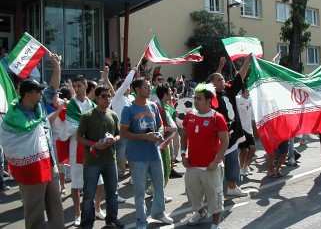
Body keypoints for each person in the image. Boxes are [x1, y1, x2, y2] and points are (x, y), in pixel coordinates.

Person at [0, 53, 65, 228]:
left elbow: (53, 87)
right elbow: (10, 143)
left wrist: (56, 66)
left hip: (49, 164)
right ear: (28, 94)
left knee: (55, 203)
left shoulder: (40, 104)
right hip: (31, 169)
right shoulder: (14, 117)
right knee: (34, 209)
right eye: (38, 91)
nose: (43, 93)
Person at [120, 78, 173, 228]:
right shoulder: (128, 109)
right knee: (140, 190)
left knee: (159, 184)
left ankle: (159, 212)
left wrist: (160, 133)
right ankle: (141, 221)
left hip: (154, 152)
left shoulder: (153, 106)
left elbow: (160, 125)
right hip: (137, 155)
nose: (150, 89)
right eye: (146, 87)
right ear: (137, 90)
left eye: (150, 86)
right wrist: (144, 136)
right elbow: (123, 133)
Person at [181, 83, 229, 228]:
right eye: (195, 98)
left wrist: (215, 161)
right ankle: (201, 212)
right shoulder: (189, 116)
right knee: (193, 194)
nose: (196, 101)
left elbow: (225, 141)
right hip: (193, 165)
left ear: (209, 101)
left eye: (199, 99)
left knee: (215, 196)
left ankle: (215, 223)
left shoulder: (217, 117)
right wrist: (183, 154)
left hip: (210, 166)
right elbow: (184, 136)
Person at [76, 85, 124, 228]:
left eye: (109, 96)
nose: (108, 99)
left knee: (112, 192)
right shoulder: (87, 116)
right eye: (104, 96)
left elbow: (119, 134)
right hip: (92, 162)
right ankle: (87, 223)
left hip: (110, 160)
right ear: (97, 98)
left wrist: (114, 140)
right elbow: (79, 137)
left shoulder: (113, 115)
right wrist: (94, 144)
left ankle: (112, 219)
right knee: (89, 195)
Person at [208, 54, 251, 197]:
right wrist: (219, 68)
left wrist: (247, 61)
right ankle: (215, 190)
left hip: (232, 133)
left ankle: (232, 187)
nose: (223, 81)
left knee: (233, 160)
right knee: (218, 163)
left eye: (223, 79)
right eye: (219, 80)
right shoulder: (209, 96)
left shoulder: (229, 89)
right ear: (212, 84)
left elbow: (240, 76)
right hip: (218, 136)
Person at [64, 75, 104, 226]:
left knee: (99, 181)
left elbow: (99, 123)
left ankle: (98, 208)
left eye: (79, 86)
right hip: (77, 147)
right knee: (76, 182)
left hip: (93, 146)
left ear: (86, 86)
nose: (76, 89)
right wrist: (89, 127)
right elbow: (71, 128)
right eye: (74, 86)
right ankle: (77, 213)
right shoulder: (71, 105)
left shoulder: (92, 105)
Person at [237, 83, 256, 176]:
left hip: (249, 129)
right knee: (244, 150)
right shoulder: (237, 99)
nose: (250, 92)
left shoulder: (250, 99)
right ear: (244, 91)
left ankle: (245, 165)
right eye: (249, 90)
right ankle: (241, 168)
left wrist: (254, 125)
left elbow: (252, 114)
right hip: (240, 129)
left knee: (252, 149)